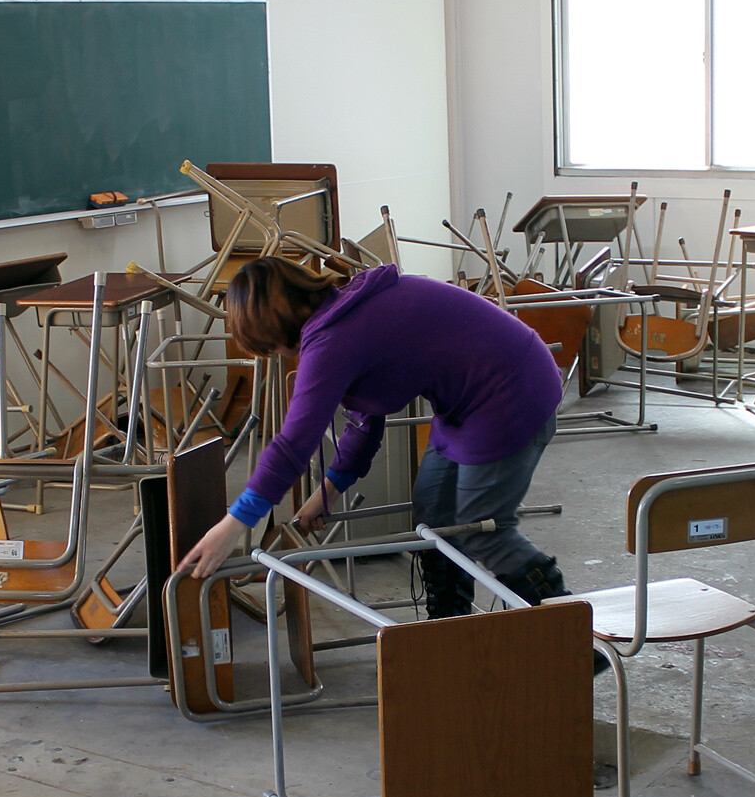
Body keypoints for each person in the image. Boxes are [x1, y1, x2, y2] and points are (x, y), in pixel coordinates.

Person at [176, 256, 569, 618]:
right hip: (469, 400)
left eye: (270, 348)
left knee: (482, 531)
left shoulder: (333, 338)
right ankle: (450, 629)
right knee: (434, 515)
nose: (279, 356)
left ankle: (577, 633)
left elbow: (292, 445)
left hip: (511, 393)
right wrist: (329, 490)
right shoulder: (344, 313)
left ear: (272, 325)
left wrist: (233, 524)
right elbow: (366, 421)